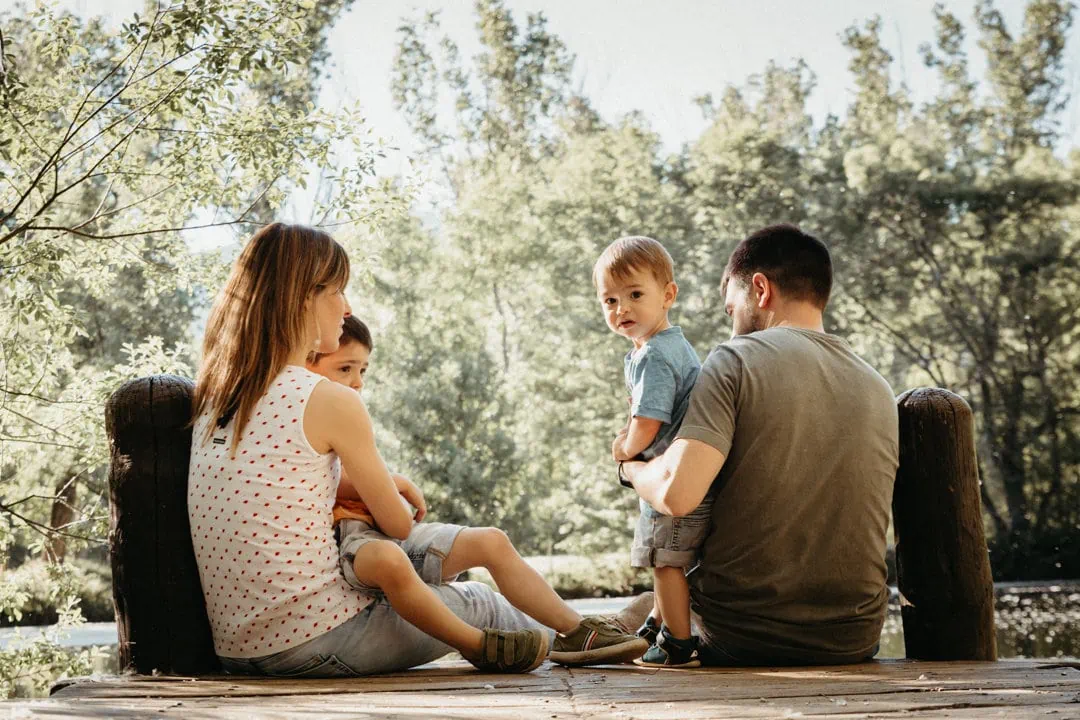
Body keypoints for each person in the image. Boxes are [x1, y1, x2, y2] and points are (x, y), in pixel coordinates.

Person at [187, 222, 645, 678]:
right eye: (338, 291)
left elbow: (278, 484)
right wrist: (389, 493)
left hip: (238, 646)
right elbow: (398, 523)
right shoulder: (326, 399)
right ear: (302, 297)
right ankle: (590, 639)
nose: (347, 307)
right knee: (480, 601)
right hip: (317, 638)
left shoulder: (219, 398)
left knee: (445, 563)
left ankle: (592, 631)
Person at [620, 224, 899, 666]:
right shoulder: (878, 387)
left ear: (761, 290)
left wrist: (630, 469)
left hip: (743, 634)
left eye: (731, 309)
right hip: (854, 638)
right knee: (651, 605)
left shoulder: (735, 359)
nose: (732, 325)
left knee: (643, 603)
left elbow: (677, 495)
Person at [305, 316, 645, 670]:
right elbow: (330, 481)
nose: (357, 381)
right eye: (345, 368)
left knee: (492, 541)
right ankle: (587, 634)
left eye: (363, 370)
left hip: (381, 528)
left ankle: (582, 630)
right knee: (465, 595)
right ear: (306, 364)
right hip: (355, 542)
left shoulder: (338, 408)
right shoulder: (313, 410)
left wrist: (389, 489)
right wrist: (397, 483)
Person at [594, 236, 708, 668]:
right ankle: (657, 623)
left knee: (666, 562)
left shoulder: (654, 356)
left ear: (668, 295)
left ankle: (678, 642)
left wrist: (624, 448)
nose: (621, 308)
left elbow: (649, 421)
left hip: (672, 479)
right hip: (683, 473)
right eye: (610, 300)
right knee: (667, 558)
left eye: (635, 295)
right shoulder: (667, 345)